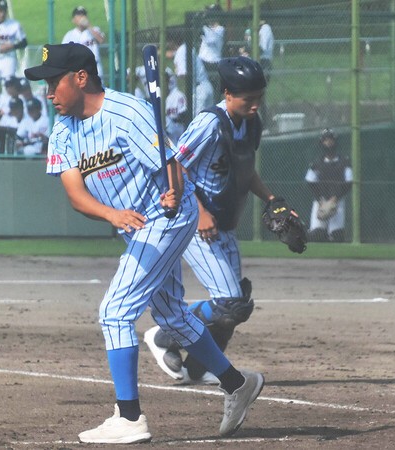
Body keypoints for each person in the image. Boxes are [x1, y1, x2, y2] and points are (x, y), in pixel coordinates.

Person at [24, 42, 264, 444]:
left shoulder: (128, 113)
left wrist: (172, 189)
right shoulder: (63, 130)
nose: (49, 92)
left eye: (54, 82)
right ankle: (237, 383)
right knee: (171, 314)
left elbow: (172, 166)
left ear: (80, 78)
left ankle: (129, 417)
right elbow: (74, 192)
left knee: (115, 312)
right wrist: (112, 214)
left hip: (168, 217)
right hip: (135, 226)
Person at [144, 56, 285, 385]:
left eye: (258, 98)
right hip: (195, 222)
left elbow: (246, 171)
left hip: (223, 224)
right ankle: (164, 335)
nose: (254, 105)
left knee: (238, 304)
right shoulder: (209, 123)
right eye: (248, 99)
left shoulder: (251, 124)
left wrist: (272, 199)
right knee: (228, 304)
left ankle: (199, 366)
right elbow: (175, 166)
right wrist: (200, 210)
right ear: (227, 94)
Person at [305, 128, 353, 243]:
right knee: (317, 235)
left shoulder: (344, 161)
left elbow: (349, 182)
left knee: (337, 237)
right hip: (320, 202)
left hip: (337, 202)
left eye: (331, 140)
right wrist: (320, 199)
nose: (328, 143)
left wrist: (336, 197)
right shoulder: (317, 163)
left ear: (335, 142)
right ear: (322, 143)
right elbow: (310, 181)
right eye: (326, 140)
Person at [62, 6, 105, 78]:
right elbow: (63, 53)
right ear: (73, 20)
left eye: (83, 15)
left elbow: (101, 40)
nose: (82, 17)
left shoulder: (94, 30)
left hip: (95, 68)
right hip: (77, 70)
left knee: (97, 88)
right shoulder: (69, 35)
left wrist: (89, 26)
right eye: (78, 15)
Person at [198, 3, 225, 102]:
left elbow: (210, 41)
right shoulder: (207, 28)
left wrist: (203, 27)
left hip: (213, 63)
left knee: (214, 92)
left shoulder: (220, 29)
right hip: (203, 61)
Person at [164, 68, 188, 145]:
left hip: (178, 128)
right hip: (170, 130)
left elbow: (183, 114)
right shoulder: (164, 96)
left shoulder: (179, 95)